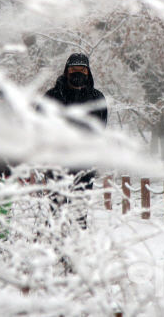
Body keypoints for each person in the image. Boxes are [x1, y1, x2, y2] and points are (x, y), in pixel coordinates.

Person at [42, 52, 108, 228]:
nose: (77, 73)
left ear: (88, 72)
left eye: (82, 69)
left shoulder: (97, 98)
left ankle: (78, 250)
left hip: (84, 164)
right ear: (66, 70)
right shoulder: (51, 97)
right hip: (57, 163)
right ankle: (56, 250)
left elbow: (99, 131)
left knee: (79, 214)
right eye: (73, 69)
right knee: (56, 213)